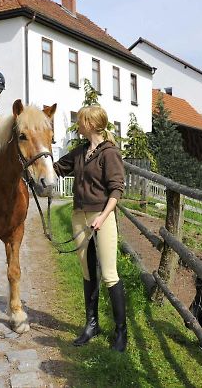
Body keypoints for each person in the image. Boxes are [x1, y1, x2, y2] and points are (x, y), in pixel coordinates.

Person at [53, 105, 127, 352]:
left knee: (109, 274)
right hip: (79, 216)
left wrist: (103, 217)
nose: (78, 125)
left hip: (101, 216)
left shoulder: (109, 153)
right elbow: (55, 169)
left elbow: (116, 190)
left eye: (81, 121)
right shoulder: (80, 152)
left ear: (92, 124)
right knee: (87, 271)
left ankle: (120, 332)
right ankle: (91, 325)